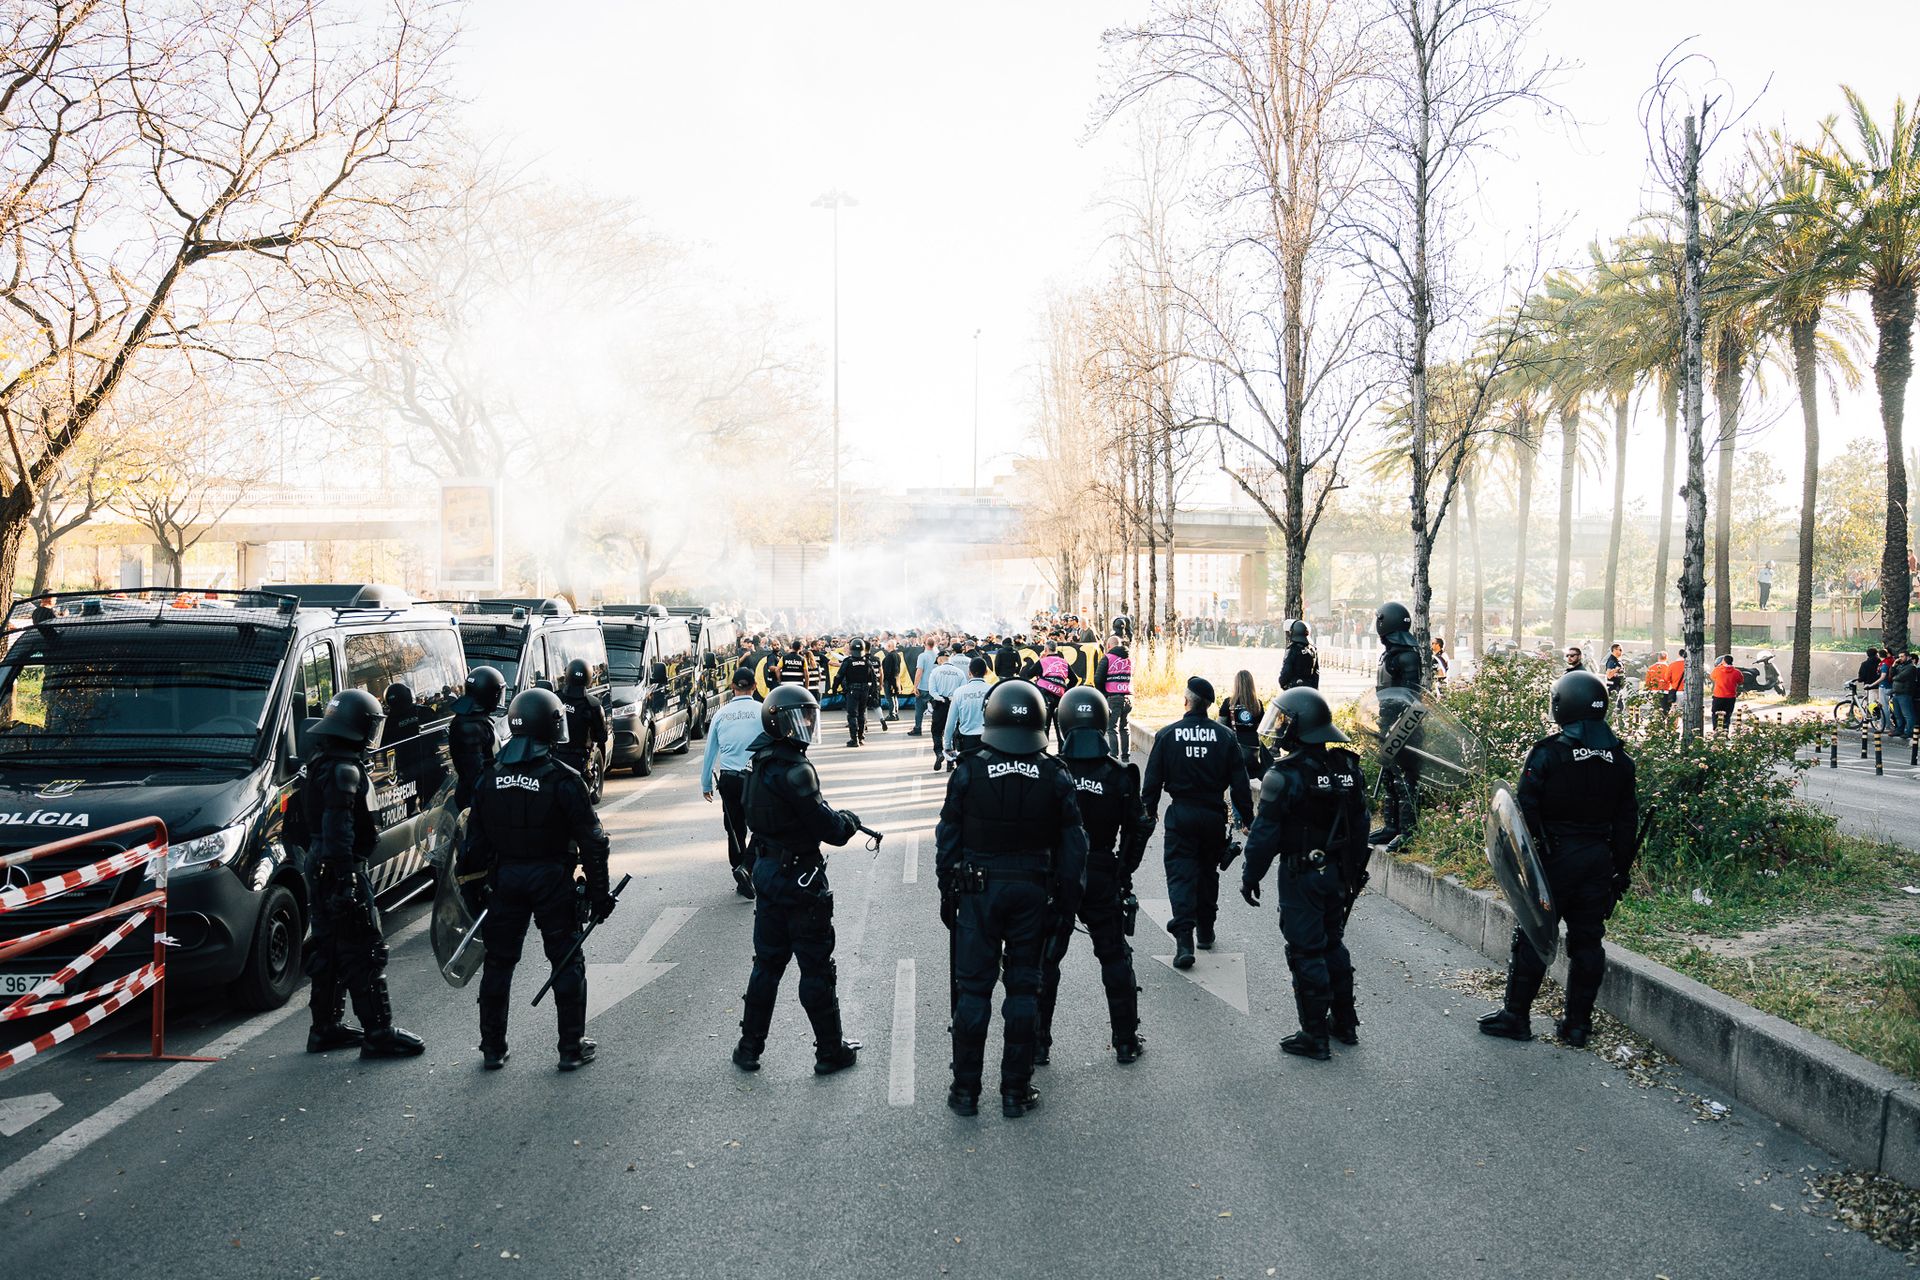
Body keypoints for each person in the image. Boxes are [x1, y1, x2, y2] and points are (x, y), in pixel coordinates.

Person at [935, 680, 1089, 1117]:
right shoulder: (1055, 774)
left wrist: (947, 889)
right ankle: (1015, 1093)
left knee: (973, 992)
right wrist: (1065, 905)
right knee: (1024, 990)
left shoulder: (968, 769)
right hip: (1033, 893)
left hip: (978, 892)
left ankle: (965, 1092)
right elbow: (1074, 847)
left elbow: (948, 836)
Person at [1479, 671, 1638, 1047]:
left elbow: (1524, 813)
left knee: (1535, 935)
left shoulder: (1549, 753)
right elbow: (1627, 821)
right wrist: (1620, 868)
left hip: (1554, 859)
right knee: (1588, 942)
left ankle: (1516, 1017)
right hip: (1599, 860)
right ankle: (1577, 1026)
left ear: (1562, 705)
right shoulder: (1621, 759)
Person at [459, 687, 614, 1071]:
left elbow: (472, 846)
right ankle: (570, 1047)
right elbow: (593, 843)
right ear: (552, 726)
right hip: (551, 879)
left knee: (498, 963)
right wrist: (599, 893)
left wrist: (475, 894)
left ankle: (492, 1047)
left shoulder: (488, 778)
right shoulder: (564, 779)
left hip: (505, 879)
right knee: (565, 960)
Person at [732, 684, 863, 1076]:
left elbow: (760, 821)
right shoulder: (796, 769)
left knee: (767, 965)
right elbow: (830, 829)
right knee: (816, 968)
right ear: (783, 720)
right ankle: (829, 1051)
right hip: (802, 880)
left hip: (769, 875)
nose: (808, 722)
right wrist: (848, 822)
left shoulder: (758, 764)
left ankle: (748, 1048)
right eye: (802, 715)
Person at [1239, 686, 1369, 1060]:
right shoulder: (1346, 768)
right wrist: (1353, 874)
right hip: (1339, 874)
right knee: (1332, 944)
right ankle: (1345, 1022)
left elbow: (1265, 834)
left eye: (1285, 721)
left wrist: (1251, 875)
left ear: (1299, 727)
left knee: (1306, 951)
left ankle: (1314, 1036)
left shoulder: (1285, 775)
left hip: (1302, 876)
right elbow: (1360, 827)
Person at [296, 689, 424, 1059]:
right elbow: (340, 827)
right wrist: (347, 879)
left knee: (329, 949)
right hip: (340, 866)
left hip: (320, 863)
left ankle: (325, 1028)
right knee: (365, 950)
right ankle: (378, 1033)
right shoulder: (343, 768)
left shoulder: (320, 760)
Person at [1040, 687, 1152, 1065]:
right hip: (1103, 872)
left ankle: (1039, 1044)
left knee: (1044, 962)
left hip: (1056, 877)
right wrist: (1123, 869)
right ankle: (1124, 1041)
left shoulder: (1051, 769)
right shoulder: (1121, 774)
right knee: (1115, 958)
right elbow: (1140, 827)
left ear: (1063, 721)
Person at [1141, 676, 1254, 969]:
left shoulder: (1168, 735)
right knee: (1207, 873)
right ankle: (1205, 929)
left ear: (1187, 701)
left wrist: (1148, 811)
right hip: (1213, 815)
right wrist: (1247, 817)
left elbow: (1152, 780)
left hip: (1181, 815)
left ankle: (1183, 941)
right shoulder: (1225, 736)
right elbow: (1239, 782)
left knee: (1180, 876)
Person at [701, 666, 765, 899]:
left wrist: (706, 783)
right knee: (762, 827)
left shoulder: (720, 714)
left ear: (732, 688)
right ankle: (748, 868)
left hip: (729, 780)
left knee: (734, 829)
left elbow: (710, 752)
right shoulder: (763, 710)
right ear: (754, 687)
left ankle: (739, 870)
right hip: (757, 779)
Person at [1371, 601, 1423, 849]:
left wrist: (1400, 726)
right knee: (1390, 776)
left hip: (1405, 727)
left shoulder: (1407, 655)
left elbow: (1413, 696)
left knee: (1405, 780)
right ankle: (1392, 826)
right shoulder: (1391, 653)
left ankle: (1407, 832)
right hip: (1388, 723)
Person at [449, 665, 505, 811]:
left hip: (482, 795)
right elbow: (474, 772)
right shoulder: (469, 725)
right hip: (476, 800)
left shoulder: (474, 719)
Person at [554, 659, 609, 796]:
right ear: (589, 678)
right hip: (578, 761)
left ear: (568, 675)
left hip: (552, 757)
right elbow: (602, 737)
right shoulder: (593, 704)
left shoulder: (554, 699)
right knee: (581, 802)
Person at [923, 645, 969, 771]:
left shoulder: (935, 672)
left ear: (939, 659)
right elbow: (963, 690)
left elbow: (932, 691)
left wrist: (942, 698)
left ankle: (938, 753)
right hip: (954, 705)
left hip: (940, 705)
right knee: (952, 734)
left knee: (937, 732)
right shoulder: (959, 672)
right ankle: (951, 761)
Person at [1217, 669, 1267, 780]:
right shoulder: (1257, 704)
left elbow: (1220, 727)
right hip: (1252, 750)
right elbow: (1262, 728)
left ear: (1236, 684)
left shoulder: (1228, 703)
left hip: (1235, 747)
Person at [1094, 636, 1134, 761]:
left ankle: (1114, 758)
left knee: (1112, 728)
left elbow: (1098, 679)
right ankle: (1126, 757)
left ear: (1109, 646)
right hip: (1127, 696)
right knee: (1125, 727)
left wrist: (1103, 694)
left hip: (1113, 696)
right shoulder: (1129, 659)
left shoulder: (1107, 658)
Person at [831, 637, 877, 746]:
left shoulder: (848, 662)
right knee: (861, 714)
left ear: (851, 649)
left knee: (852, 715)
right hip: (865, 691)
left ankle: (854, 739)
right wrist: (873, 693)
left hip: (852, 691)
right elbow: (874, 679)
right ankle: (861, 738)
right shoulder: (867, 662)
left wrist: (834, 689)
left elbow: (838, 676)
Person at [944, 656, 992, 758]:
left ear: (969, 672)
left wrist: (948, 745)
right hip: (989, 741)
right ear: (986, 672)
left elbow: (951, 722)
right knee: (986, 769)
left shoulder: (959, 692)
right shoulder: (993, 690)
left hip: (967, 742)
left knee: (968, 770)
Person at [1032, 640, 1077, 743]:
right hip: (1059, 697)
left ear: (1046, 649)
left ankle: (1044, 751)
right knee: (1059, 726)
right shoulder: (1064, 662)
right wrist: (1065, 691)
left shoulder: (1042, 661)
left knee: (1045, 726)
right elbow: (1074, 679)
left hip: (1045, 697)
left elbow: (1027, 674)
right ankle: (1062, 751)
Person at [911, 638, 941, 735]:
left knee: (919, 709)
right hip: (935, 688)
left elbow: (919, 671)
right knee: (937, 710)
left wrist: (915, 686)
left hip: (923, 687)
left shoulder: (922, 656)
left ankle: (918, 728)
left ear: (924, 644)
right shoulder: (938, 656)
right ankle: (938, 729)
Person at [1279, 619, 1319, 691]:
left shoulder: (1292, 649)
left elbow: (1287, 670)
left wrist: (1282, 683)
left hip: (1294, 688)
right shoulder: (1312, 649)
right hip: (1310, 689)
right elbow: (1316, 672)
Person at [1888, 651, 1918, 738]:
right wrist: (1893, 665)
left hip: (1905, 693)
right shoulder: (1899, 665)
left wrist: (1894, 677)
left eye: (1902, 656)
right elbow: (1891, 675)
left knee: (1907, 714)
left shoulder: (1911, 667)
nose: (1900, 658)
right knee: (1898, 714)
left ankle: (1909, 731)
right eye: (1899, 656)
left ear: (1908, 657)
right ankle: (1899, 730)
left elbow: (1900, 677)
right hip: (1896, 693)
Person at [1709, 654, 1742, 732]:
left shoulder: (1717, 670)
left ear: (1723, 661)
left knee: (1715, 713)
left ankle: (1716, 730)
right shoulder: (1736, 672)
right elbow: (1740, 681)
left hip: (1718, 696)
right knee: (1727, 715)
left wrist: (1720, 666)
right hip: (1730, 697)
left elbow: (1712, 677)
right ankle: (1725, 731)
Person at [878, 638, 903, 727]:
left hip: (890, 680)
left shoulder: (889, 656)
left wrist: (884, 680)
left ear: (889, 646)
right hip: (896, 678)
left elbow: (887, 670)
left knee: (890, 697)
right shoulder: (897, 655)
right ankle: (895, 713)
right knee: (894, 697)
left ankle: (892, 714)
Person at [1641, 652, 1669, 720]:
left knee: (1656, 708)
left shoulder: (1651, 668)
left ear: (1658, 658)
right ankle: (1663, 722)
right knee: (1664, 709)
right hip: (1665, 691)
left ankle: (1656, 721)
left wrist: (1648, 690)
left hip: (1654, 691)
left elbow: (1647, 682)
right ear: (1667, 658)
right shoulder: (1668, 668)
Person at [1603, 643, 1626, 714]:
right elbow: (1609, 675)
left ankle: (1619, 722)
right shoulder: (1611, 661)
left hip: (1618, 687)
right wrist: (1616, 669)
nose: (1621, 652)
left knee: (1620, 706)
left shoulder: (1618, 660)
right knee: (1612, 707)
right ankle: (1610, 722)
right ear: (1614, 650)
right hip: (1613, 688)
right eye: (1620, 650)